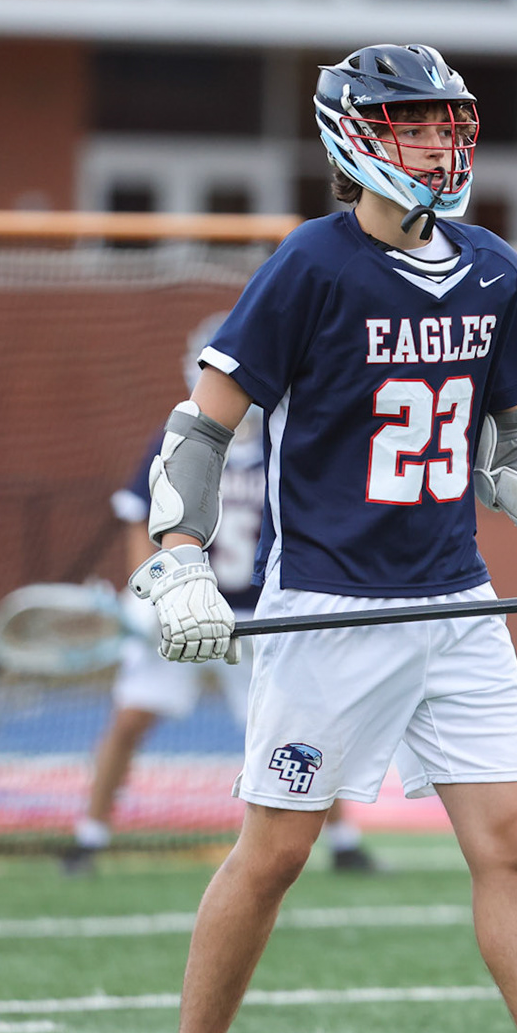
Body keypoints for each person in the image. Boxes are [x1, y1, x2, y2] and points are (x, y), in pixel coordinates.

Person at [130, 44, 517, 1033]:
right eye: (411, 125)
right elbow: (200, 430)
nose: (437, 142)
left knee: (513, 840)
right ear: (354, 138)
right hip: (330, 605)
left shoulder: (492, 267)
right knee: (277, 852)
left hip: (456, 600)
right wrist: (181, 559)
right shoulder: (311, 264)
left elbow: (505, 448)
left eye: (446, 124)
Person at [66, 315, 377, 875]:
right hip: (184, 608)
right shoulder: (184, 439)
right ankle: (89, 834)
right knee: (132, 716)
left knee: (298, 724)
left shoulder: (289, 444)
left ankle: (344, 840)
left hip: (258, 612)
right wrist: (149, 591)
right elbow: (143, 519)